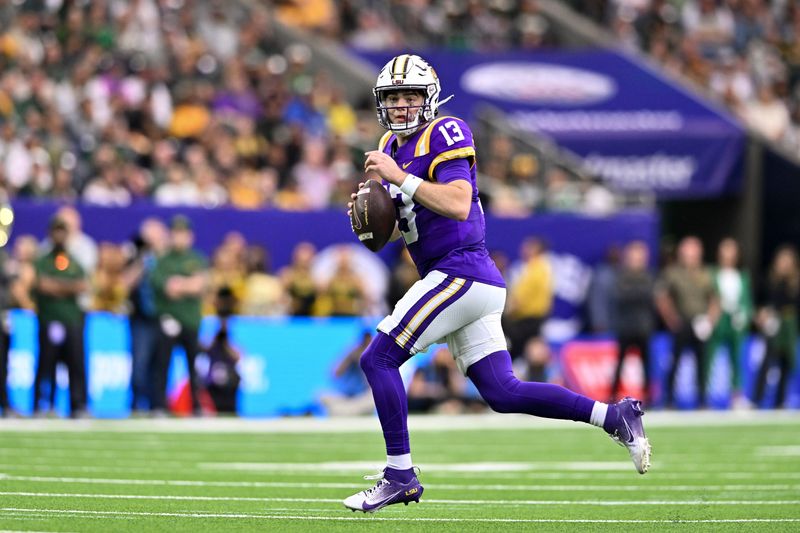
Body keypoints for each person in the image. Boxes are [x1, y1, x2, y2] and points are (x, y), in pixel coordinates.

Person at [342, 54, 650, 513]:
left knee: (379, 358)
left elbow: (460, 202)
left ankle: (400, 474)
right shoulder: (389, 143)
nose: (402, 106)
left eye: (410, 96)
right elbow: (393, 223)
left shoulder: (446, 132)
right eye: (393, 97)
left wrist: (399, 178)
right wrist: (370, 216)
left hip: (460, 270)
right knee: (503, 392)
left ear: (429, 99)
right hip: (462, 279)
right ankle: (614, 415)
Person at [150, 215, 208, 416]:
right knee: (163, 363)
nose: (179, 238)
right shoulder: (163, 261)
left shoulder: (197, 258)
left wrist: (180, 284)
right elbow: (165, 288)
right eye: (176, 233)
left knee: (194, 366)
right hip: (168, 320)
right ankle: (159, 404)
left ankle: (196, 405)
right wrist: (187, 284)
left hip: (191, 319)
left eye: (183, 233)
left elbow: (199, 285)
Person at [32, 216, 89, 418]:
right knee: (46, 363)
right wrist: (68, 287)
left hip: (72, 320)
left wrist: (57, 286)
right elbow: (42, 284)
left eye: (62, 231)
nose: (59, 235)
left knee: (76, 363)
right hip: (49, 319)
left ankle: (78, 405)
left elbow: (83, 285)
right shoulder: (42, 260)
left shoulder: (74, 261)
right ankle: (41, 404)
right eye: (56, 231)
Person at [655, 236, 720, 408]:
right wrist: (670, 319)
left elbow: (715, 299)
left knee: (702, 362)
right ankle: (669, 399)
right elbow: (662, 297)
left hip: (700, 323)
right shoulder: (673, 272)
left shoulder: (706, 273)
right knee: (675, 361)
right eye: (688, 252)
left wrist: (710, 321)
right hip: (682, 321)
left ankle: (702, 399)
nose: (691, 256)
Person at [127, 218, 169, 413]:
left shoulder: (168, 259)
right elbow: (124, 283)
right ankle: (136, 405)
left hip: (163, 317)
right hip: (141, 318)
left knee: (160, 366)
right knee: (139, 366)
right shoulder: (135, 255)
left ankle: (157, 405)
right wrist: (143, 261)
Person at [707, 238, 753, 407]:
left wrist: (744, 314)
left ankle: (737, 395)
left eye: (731, 250)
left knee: (736, 358)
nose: (728, 254)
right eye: (725, 250)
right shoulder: (712, 273)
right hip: (719, 319)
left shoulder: (742, 276)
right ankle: (706, 395)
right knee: (710, 356)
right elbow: (709, 296)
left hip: (735, 320)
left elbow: (747, 300)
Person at [609, 241, 656, 403]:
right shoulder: (622, 276)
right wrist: (639, 293)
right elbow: (621, 297)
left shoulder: (648, 276)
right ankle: (613, 394)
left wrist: (635, 293)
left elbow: (650, 296)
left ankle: (648, 396)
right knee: (620, 362)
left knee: (646, 364)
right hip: (626, 326)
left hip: (643, 327)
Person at [754, 246, 799, 408]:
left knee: (786, 364)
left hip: (789, 328)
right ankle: (757, 399)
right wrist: (762, 314)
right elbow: (761, 303)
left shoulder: (795, 284)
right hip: (773, 326)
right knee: (767, 362)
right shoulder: (770, 281)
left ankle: (780, 401)